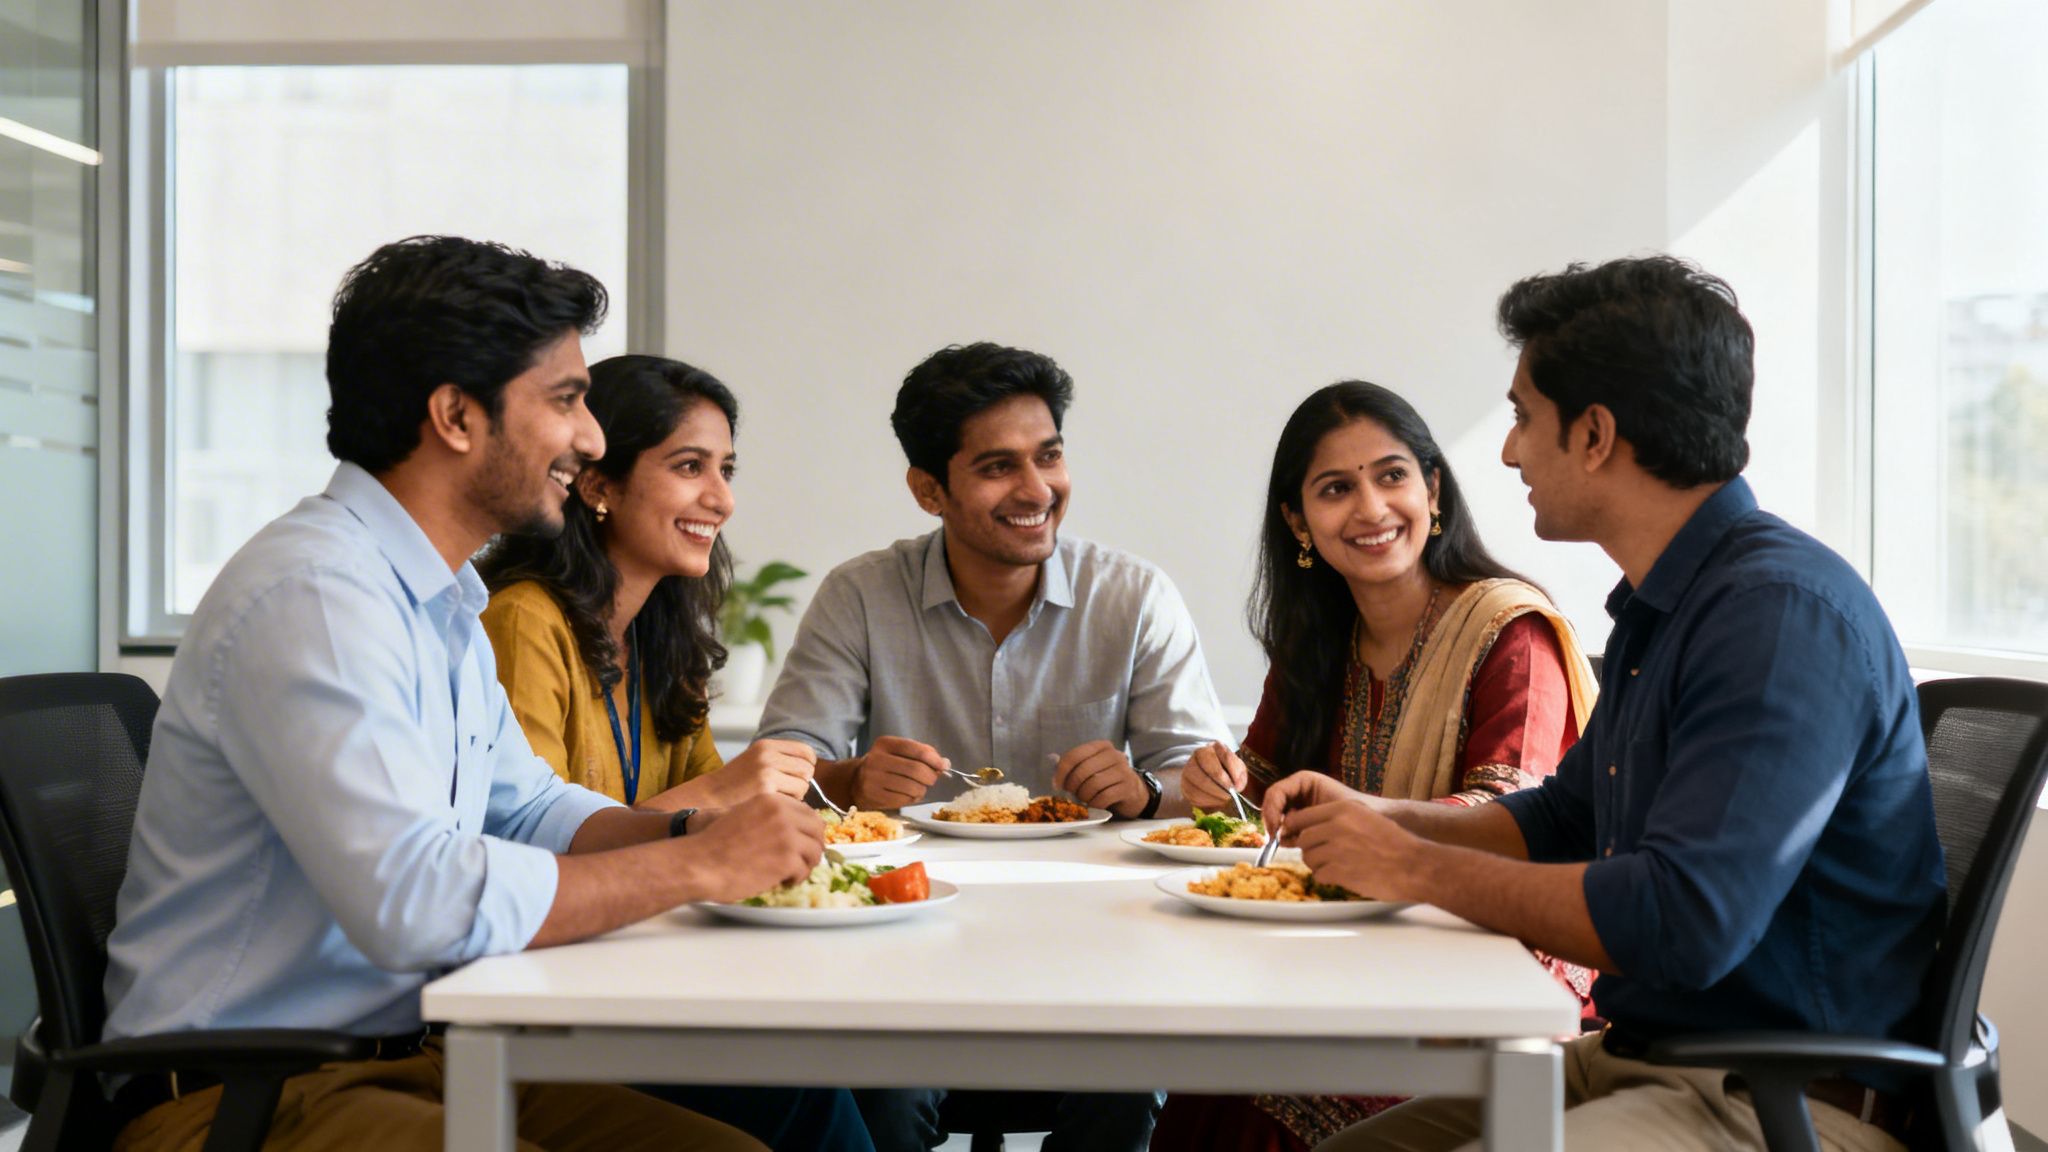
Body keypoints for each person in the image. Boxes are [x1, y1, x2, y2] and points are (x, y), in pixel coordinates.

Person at [101, 236, 826, 1152]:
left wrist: (692, 831)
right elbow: (416, 902)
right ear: (454, 416)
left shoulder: (437, 598)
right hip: (243, 1092)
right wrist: (698, 868)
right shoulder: (318, 597)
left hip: (410, 1054)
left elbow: (526, 809)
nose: (591, 438)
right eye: (565, 400)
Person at [1268, 256, 1945, 1152]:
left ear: (1593, 434)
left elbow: (1683, 921)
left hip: (1781, 1099)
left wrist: (1411, 866)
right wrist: (1382, 818)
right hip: (1652, 1058)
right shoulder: (1666, 604)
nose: (1508, 451)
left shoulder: (1777, 616)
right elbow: (1565, 818)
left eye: (1522, 417)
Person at [755, 341, 1232, 1152]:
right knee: (885, 1099)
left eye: (1049, 456)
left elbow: (1208, 781)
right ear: (928, 490)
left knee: (1129, 1089)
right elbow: (779, 769)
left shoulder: (1134, 597)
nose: (1036, 489)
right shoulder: (860, 595)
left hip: (1097, 943)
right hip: (903, 942)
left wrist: (1148, 792)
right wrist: (853, 777)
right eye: (997, 467)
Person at [1151, 382, 1598, 1152]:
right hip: (1345, 957)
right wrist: (1217, 785)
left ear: (1433, 490)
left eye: (1392, 476)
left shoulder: (1509, 634)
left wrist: (1363, 819)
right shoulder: (1318, 640)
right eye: (1335, 489)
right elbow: (1259, 787)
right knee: (1209, 1077)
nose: (1370, 508)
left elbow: (1511, 821)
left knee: (1267, 1099)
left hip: (1493, 973)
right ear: (1298, 522)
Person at [476, 353, 873, 1152]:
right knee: (816, 1090)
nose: (721, 498)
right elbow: (523, 850)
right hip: (555, 1000)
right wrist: (725, 795)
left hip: (642, 969)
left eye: (725, 470)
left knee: (851, 1075)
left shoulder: (662, 635)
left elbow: (709, 812)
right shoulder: (524, 622)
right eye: (689, 467)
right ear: (599, 484)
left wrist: (840, 779)